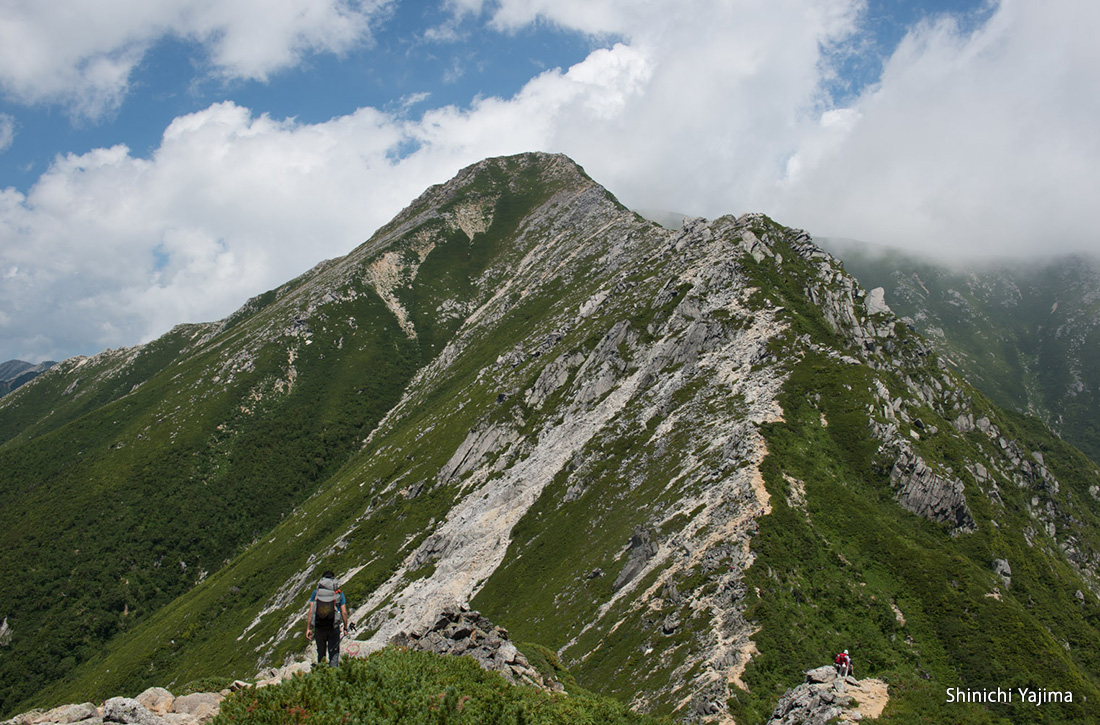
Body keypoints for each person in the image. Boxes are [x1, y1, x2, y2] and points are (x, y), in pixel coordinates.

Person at [305, 570, 349, 666]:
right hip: (333, 628)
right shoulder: (338, 593)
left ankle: (322, 674)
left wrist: (308, 628)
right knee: (333, 654)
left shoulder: (316, 593)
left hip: (319, 627)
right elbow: (344, 613)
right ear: (333, 579)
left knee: (321, 654)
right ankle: (333, 676)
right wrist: (345, 628)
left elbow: (311, 611)